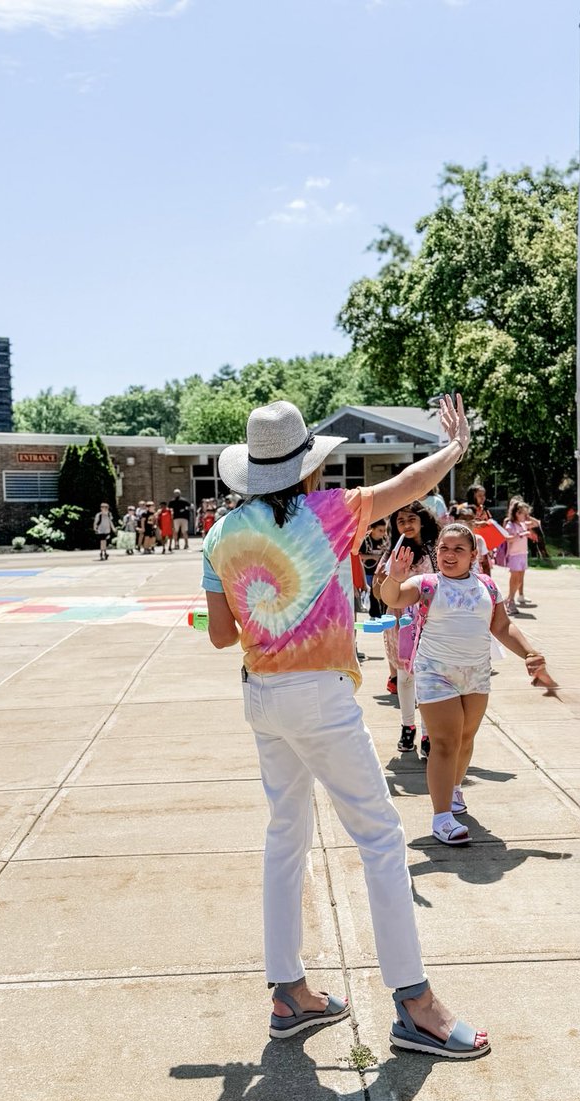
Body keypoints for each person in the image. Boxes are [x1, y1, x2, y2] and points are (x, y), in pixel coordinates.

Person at [203, 395, 489, 1059]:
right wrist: (453, 449)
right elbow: (409, 487)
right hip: (321, 697)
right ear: (305, 466)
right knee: (382, 837)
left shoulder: (220, 537)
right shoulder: (329, 511)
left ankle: (289, 993)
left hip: (262, 697)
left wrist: (267, 609)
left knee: (284, 836)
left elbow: (222, 636)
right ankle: (416, 1005)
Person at [381, 522, 556, 846]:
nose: (449, 555)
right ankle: (442, 817)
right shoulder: (427, 583)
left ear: (473, 554)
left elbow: (502, 627)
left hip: (476, 673)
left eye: (458, 549)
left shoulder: (487, 586)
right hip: (436, 672)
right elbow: (393, 597)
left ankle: (455, 787)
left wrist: (529, 653)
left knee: (465, 738)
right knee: (445, 742)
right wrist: (395, 577)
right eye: (444, 548)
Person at [373, 501, 439, 755]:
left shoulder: (435, 550)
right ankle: (407, 726)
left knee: (428, 678)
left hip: (429, 620)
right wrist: (384, 579)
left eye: (411, 519)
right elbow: (380, 593)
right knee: (405, 675)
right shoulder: (393, 551)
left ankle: (428, 733)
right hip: (401, 621)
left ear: (422, 520)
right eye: (400, 521)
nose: (406, 525)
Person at [504, 496, 541, 615]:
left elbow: (536, 523)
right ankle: (510, 601)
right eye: (523, 514)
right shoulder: (511, 525)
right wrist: (522, 534)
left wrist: (528, 517)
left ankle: (509, 598)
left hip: (522, 554)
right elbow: (508, 539)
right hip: (514, 555)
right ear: (517, 513)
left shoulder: (523, 523)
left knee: (519, 580)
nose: (525, 516)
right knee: (514, 579)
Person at [359, 518, 389, 619]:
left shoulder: (384, 541)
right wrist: (372, 557)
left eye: (384, 530)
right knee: (371, 594)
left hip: (380, 573)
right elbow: (358, 556)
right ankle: (373, 614)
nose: (383, 533)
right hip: (367, 572)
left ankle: (382, 614)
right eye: (380, 530)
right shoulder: (365, 541)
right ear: (373, 529)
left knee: (381, 593)